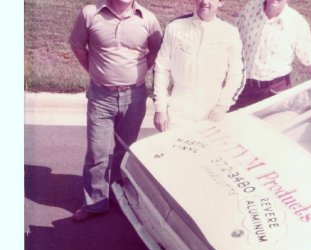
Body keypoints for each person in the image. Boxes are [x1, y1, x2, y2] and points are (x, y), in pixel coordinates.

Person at [69, 0, 162, 222]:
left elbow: (156, 51)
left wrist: (137, 73)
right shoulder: (90, 14)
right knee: (97, 152)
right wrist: (96, 71)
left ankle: (121, 198)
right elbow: (78, 46)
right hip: (101, 96)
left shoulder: (147, 19)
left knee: (124, 151)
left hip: (134, 97)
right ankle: (95, 203)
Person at [153, 0, 245, 132]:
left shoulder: (230, 33)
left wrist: (222, 105)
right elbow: (161, 69)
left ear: (221, 2)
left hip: (212, 113)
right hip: (177, 113)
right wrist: (160, 108)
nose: (204, 1)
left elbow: (237, 74)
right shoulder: (176, 27)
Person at [231, 0, 311, 111]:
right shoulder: (250, 8)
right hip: (242, 88)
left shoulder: (296, 23)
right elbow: (233, 42)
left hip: (274, 93)